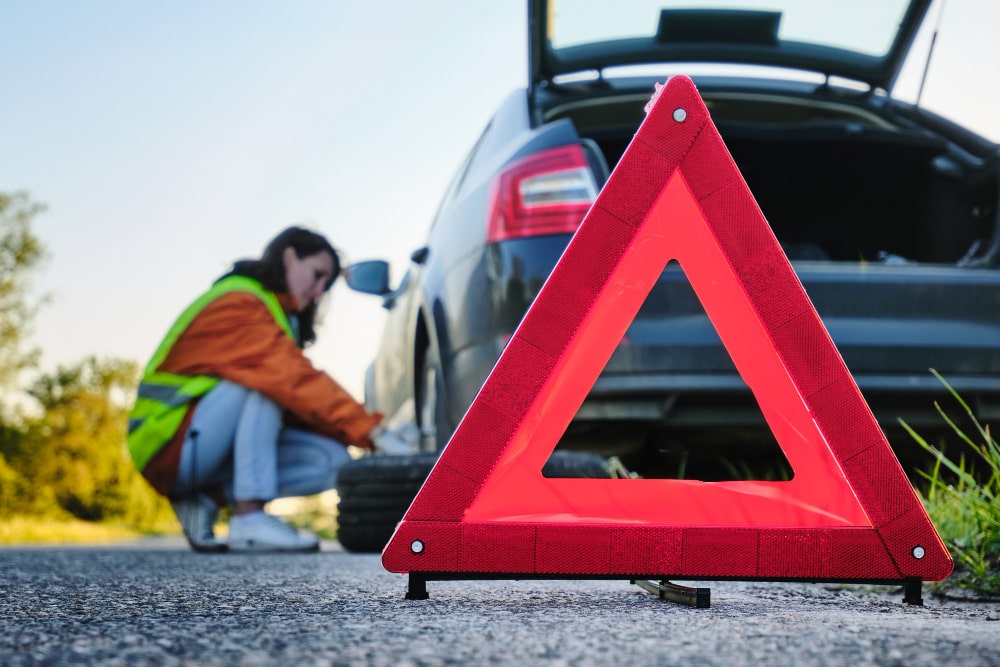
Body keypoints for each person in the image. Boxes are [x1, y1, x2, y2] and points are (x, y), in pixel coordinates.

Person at [126, 226, 414, 553]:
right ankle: (249, 519)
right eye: (317, 275)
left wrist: (361, 438)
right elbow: (290, 378)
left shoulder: (274, 313)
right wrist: (371, 431)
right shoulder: (240, 301)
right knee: (263, 383)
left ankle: (204, 498)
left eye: (326, 284)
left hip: (199, 445)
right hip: (165, 443)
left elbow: (300, 405)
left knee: (331, 460)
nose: (319, 291)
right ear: (289, 256)